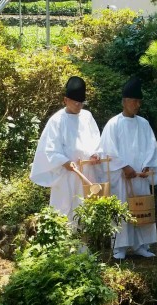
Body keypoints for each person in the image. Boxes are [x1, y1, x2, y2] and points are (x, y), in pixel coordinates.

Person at [99, 76, 157, 259]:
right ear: (125, 101)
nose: (137, 105)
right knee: (122, 206)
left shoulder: (143, 124)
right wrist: (124, 166)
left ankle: (141, 245)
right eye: (134, 101)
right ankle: (119, 247)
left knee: (141, 207)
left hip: (140, 177)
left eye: (139, 101)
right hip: (121, 177)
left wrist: (146, 167)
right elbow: (107, 150)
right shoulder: (114, 123)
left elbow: (152, 147)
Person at [30, 76, 101, 224]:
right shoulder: (57, 120)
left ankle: (85, 246)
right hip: (67, 174)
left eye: (81, 102)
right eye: (75, 101)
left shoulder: (87, 117)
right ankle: (65, 246)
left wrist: (96, 154)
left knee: (87, 210)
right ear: (65, 100)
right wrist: (64, 161)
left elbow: (97, 140)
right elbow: (49, 149)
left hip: (87, 172)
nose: (78, 105)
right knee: (66, 211)